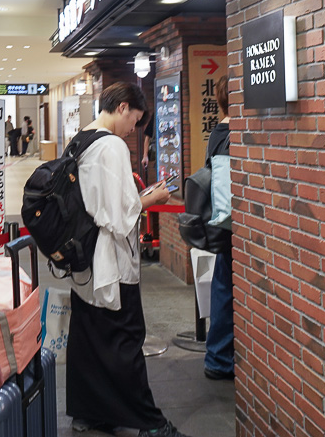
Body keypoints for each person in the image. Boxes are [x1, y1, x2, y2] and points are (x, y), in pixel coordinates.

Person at [66, 82, 191, 437]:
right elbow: (121, 215)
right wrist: (154, 197)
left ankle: (89, 412)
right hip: (111, 263)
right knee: (126, 339)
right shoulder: (111, 146)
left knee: (88, 338)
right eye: (134, 120)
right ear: (122, 107)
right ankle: (150, 423)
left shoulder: (81, 139)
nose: (133, 129)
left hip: (84, 262)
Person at [204, 76, 234, 381]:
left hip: (221, 223)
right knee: (225, 289)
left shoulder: (217, 132)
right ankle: (220, 358)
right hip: (232, 224)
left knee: (222, 286)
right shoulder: (232, 134)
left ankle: (218, 355)